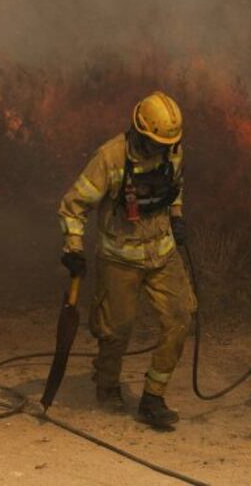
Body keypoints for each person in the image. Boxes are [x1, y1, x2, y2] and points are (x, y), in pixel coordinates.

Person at [57, 91, 196, 428]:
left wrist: (176, 216)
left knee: (181, 316)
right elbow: (74, 205)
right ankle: (106, 386)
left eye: (166, 144)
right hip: (119, 257)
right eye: (154, 142)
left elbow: (175, 188)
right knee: (115, 329)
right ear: (139, 130)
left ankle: (153, 398)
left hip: (162, 253)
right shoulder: (110, 157)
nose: (161, 149)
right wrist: (73, 247)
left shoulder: (172, 150)